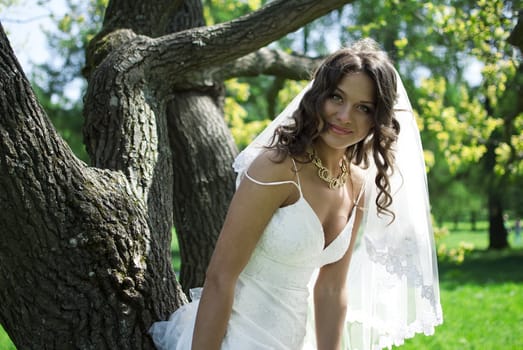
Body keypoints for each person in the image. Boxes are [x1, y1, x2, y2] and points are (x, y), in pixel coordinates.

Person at [149, 38, 442, 350]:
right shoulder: (277, 168)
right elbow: (221, 276)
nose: (344, 116)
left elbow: (331, 288)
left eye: (363, 108)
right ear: (318, 97)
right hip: (236, 336)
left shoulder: (357, 184)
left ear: (377, 118)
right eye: (336, 98)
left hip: (295, 339)